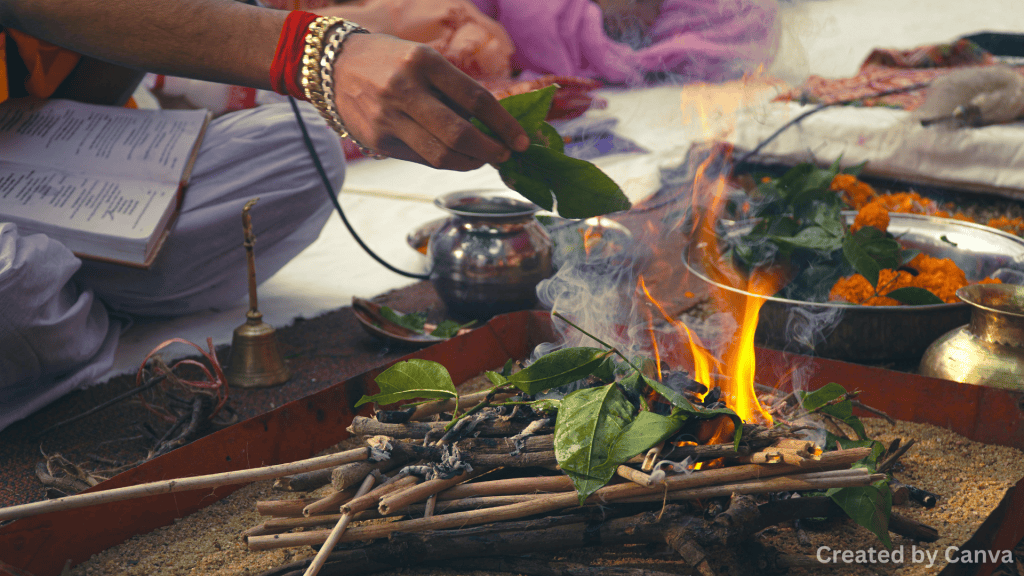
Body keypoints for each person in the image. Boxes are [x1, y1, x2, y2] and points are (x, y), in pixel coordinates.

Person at [0, 0, 530, 432]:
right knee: (18, 283)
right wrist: (319, 52)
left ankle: (70, 296)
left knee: (303, 150)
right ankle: (75, 298)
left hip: (28, 145)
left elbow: (85, 73)